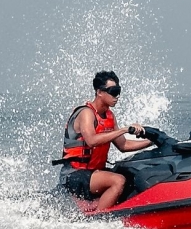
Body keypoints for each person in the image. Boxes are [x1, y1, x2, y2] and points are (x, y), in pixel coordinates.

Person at [57, 71, 152, 210]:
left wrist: (151, 142)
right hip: (74, 175)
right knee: (118, 181)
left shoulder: (109, 116)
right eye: (113, 91)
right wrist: (123, 129)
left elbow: (123, 145)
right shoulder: (86, 113)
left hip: (94, 173)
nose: (117, 96)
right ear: (100, 92)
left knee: (131, 176)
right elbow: (92, 140)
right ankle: (98, 221)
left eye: (118, 91)